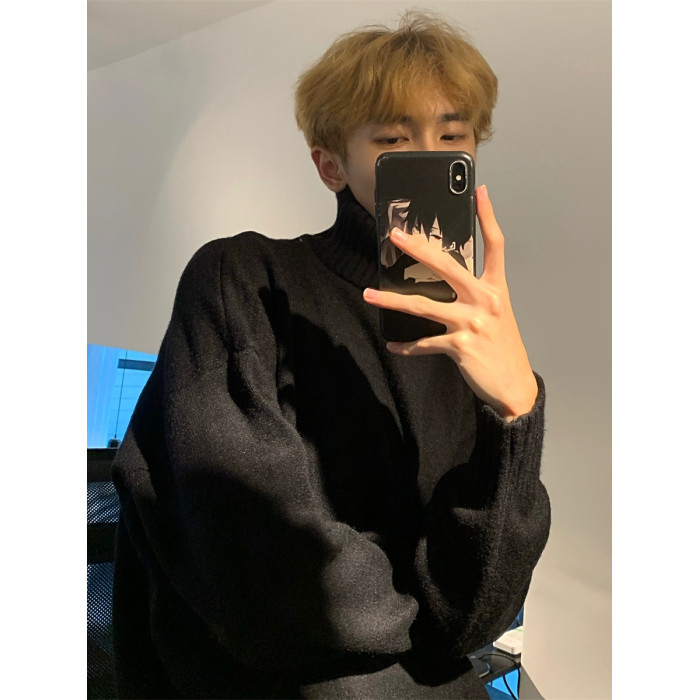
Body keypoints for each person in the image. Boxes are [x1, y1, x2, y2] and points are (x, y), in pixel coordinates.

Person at [111, 10, 551, 699]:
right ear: (330, 164)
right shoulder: (243, 280)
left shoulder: (471, 337)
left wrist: (516, 410)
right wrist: (422, 621)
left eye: (452, 136)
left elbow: (479, 613)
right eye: (394, 139)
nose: (429, 157)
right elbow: (262, 564)